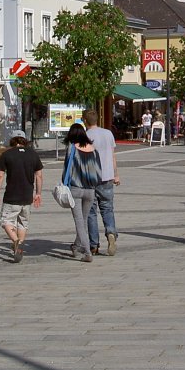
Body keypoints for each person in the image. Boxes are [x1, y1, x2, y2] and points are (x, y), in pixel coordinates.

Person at [0, 129, 43, 263]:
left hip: (12, 196)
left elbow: (0, 176)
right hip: (27, 196)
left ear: (12, 140)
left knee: (6, 221)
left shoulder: (7, 155)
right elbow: (39, 175)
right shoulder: (33, 154)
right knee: (22, 223)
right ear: (24, 140)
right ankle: (18, 246)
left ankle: (16, 242)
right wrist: (38, 193)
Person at [62, 122, 102, 263]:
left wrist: (64, 183)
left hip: (76, 189)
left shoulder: (71, 149)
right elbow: (98, 172)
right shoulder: (94, 150)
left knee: (79, 222)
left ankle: (86, 252)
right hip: (90, 190)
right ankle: (76, 246)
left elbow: (67, 168)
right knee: (83, 221)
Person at [84, 110, 120, 256]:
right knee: (107, 209)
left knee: (91, 212)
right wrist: (116, 174)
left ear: (85, 121)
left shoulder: (85, 136)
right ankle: (111, 233)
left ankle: (94, 245)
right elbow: (112, 156)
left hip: (90, 179)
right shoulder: (108, 134)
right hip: (107, 177)